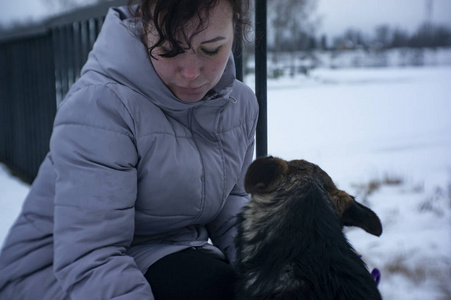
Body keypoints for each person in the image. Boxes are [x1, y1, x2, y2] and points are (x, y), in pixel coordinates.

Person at [0, 0, 258, 299]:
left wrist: (269, 266)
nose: (190, 72)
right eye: (169, 49)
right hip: (50, 276)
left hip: (166, 255)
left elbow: (229, 202)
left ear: (235, 29)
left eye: (210, 49)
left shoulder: (239, 105)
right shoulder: (100, 107)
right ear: (142, 26)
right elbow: (91, 256)